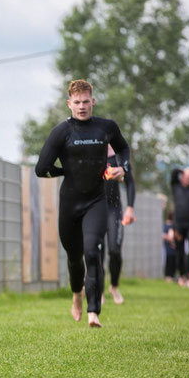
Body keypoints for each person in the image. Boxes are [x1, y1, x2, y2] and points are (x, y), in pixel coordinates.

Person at [35, 79, 135, 328]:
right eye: (77, 102)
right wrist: (66, 172)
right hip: (70, 203)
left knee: (93, 251)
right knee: (74, 258)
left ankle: (94, 312)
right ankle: (76, 296)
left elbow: (123, 148)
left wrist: (122, 168)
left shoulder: (106, 128)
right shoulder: (61, 132)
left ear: (93, 101)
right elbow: (41, 169)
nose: (82, 106)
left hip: (96, 200)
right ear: (69, 104)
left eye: (86, 101)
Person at [100, 145, 136, 304]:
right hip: (95, 209)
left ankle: (114, 286)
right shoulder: (92, 154)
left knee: (115, 250)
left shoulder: (118, 158)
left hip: (114, 210)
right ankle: (98, 290)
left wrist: (130, 208)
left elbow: (130, 183)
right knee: (96, 251)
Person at [163, 211, 177, 282]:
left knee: (172, 262)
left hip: (172, 248)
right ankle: (168, 277)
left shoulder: (169, 225)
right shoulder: (169, 226)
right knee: (170, 262)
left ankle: (171, 276)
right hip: (170, 248)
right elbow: (165, 235)